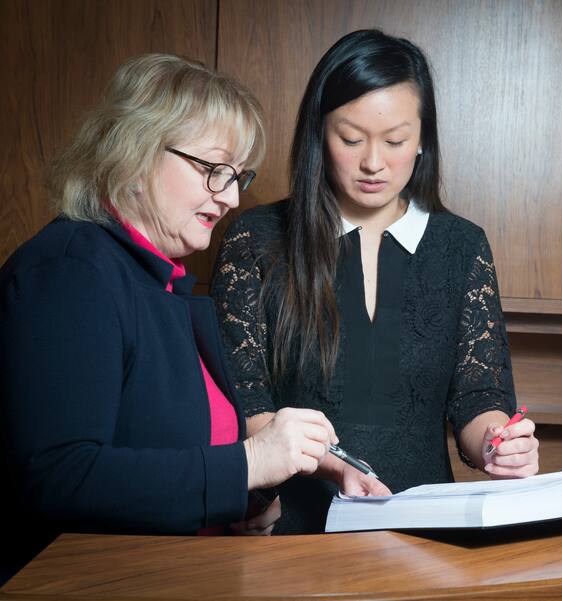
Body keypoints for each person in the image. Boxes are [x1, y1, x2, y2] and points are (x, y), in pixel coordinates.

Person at [0, 54, 338, 596]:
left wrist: (245, 500)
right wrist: (248, 464)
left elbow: (166, 457)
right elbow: (59, 478)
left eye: (237, 175)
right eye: (214, 169)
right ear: (136, 152)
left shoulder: (162, 283)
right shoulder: (69, 272)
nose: (231, 196)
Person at [211, 29, 540, 535]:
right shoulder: (257, 239)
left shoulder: (461, 246)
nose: (373, 162)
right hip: (291, 534)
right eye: (350, 139)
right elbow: (244, 403)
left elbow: (477, 397)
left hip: (430, 534)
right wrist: (332, 466)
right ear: (319, 134)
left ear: (423, 139)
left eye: (395, 141)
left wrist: (499, 445)